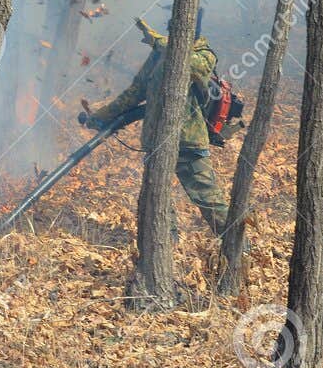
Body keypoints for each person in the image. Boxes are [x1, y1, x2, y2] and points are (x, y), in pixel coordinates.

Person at [79, 20, 229, 235]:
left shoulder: (204, 55)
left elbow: (185, 62)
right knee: (158, 200)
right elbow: (135, 92)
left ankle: (238, 245)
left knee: (208, 199)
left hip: (188, 141)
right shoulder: (158, 54)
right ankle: (166, 243)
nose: (172, 34)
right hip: (156, 141)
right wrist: (103, 116)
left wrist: (159, 42)